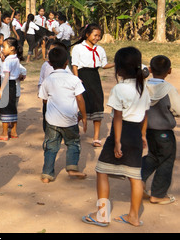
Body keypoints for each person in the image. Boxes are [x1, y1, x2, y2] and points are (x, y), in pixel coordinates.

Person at [82, 46, 150, 228]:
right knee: (135, 176)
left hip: (121, 133)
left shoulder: (119, 89)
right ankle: (134, 217)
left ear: (118, 69)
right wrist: (143, 135)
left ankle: (102, 214)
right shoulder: (143, 87)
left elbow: (118, 117)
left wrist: (117, 142)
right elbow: (145, 114)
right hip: (136, 133)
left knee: (102, 170)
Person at [38, 47, 87, 183]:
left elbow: (44, 99)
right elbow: (80, 99)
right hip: (70, 120)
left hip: (52, 121)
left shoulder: (48, 80)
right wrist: (84, 116)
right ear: (67, 62)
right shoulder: (74, 79)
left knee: (51, 147)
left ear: (50, 63)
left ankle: (47, 174)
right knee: (73, 143)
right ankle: (72, 167)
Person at [141, 55, 179, 205]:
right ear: (169, 71)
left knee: (153, 156)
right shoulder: (169, 89)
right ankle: (158, 194)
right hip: (164, 131)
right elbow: (177, 109)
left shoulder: (143, 85)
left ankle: (140, 180)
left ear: (150, 70)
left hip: (147, 130)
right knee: (166, 160)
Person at [71, 24, 114, 148]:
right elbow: (75, 65)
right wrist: (76, 79)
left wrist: (116, 63)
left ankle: (96, 137)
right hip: (82, 77)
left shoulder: (100, 50)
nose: (97, 38)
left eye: (99, 36)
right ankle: (74, 128)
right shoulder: (78, 48)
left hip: (95, 77)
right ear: (87, 35)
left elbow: (103, 65)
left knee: (97, 104)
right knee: (84, 104)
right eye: (95, 35)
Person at [38, 41, 72, 131]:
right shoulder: (45, 65)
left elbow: (70, 78)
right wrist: (41, 93)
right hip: (48, 98)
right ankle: (48, 133)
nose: (49, 52)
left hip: (61, 98)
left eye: (52, 50)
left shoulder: (65, 67)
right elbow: (41, 80)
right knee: (47, 116)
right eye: (49, 50)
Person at [0, 37, 23, 141]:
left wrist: (1, 90)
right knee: (12, 108)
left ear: (12, 48)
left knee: (5, 109)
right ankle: (14, 132)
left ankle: (4, 133)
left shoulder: (7, 61)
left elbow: (6, 76)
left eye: (4, 47)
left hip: (6, 85)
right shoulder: (15, 58)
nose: (2, 49)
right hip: (13, 86)